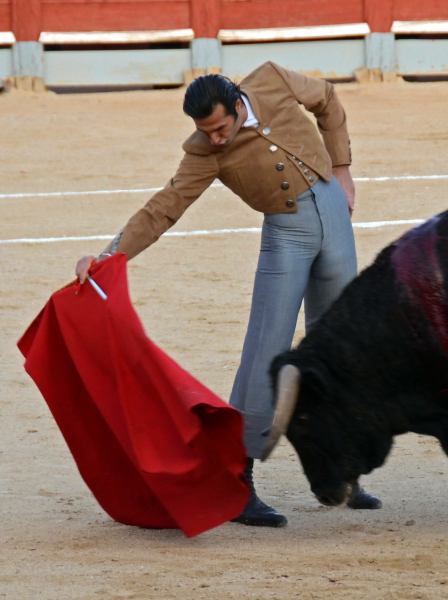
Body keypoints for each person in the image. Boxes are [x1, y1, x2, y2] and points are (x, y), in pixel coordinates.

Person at [75, 62, 382, 527]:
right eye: (206, 131)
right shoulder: (204, 152)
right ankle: (239, 480)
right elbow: (164, 207)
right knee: (266, 350)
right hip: (287, 236)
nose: (216, 138)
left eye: (220, 128)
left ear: (239, 105)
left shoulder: (273, 80)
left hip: (335, 217)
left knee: (340, 345)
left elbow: (326, 99)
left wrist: (341, 167)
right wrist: (108, 255)